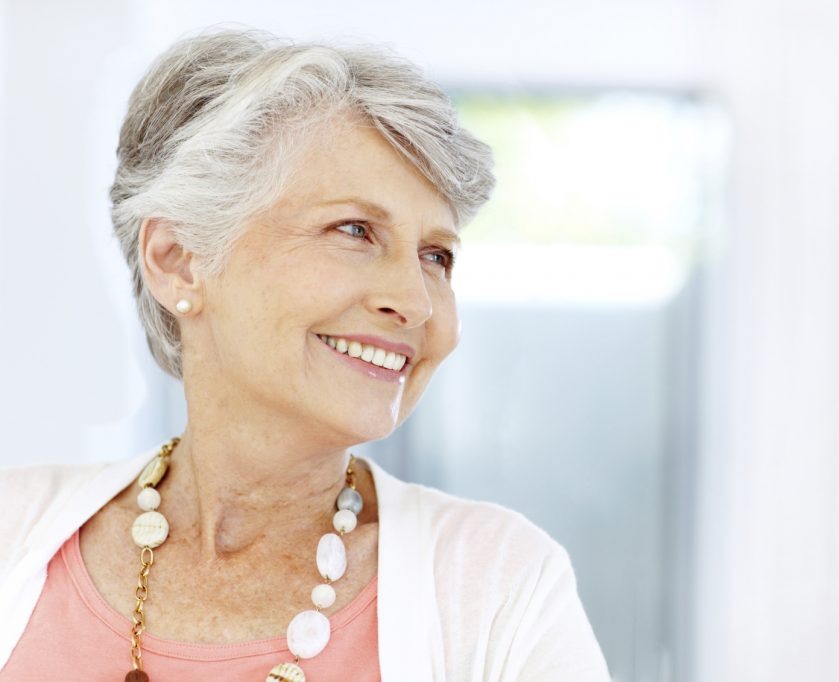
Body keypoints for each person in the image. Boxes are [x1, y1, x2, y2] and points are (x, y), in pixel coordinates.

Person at [0, 30, 608, 681]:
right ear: (178, 260)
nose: (415, 302)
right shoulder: (14, 526)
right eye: (354, 230)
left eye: (437, 256)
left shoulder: (501, 589)